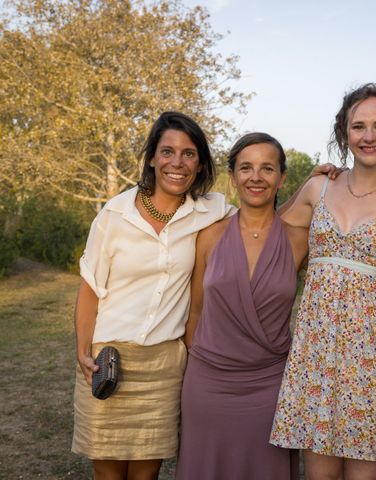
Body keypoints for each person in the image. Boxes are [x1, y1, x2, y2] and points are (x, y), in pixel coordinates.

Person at [72, 111, 232, 480]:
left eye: (189, 153)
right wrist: (83, 349)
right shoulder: (115, 215)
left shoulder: (210, 210)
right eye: (167, 151)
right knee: (108, 473)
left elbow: (264, 215)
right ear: (152, 158)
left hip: (164, 366)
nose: (177, 162)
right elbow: (90, 288)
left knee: (146, 474)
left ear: (201, 162)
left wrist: (314, 187)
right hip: (108, 359)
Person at [270, 83, 376, 480]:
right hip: (316, 344)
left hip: (373, 350)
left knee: (364, 472)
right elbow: (268, 236)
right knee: (319, 474)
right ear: (345, 133)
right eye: (359, 126)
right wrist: (302, 183)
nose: (369, 136)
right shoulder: (320, 187)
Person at [175, 132, 310, 479]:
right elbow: (194, 311)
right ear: (233, 176)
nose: (256, 177)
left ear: (281, 178)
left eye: (267, 168)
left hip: (270, 387)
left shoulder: (299, 240)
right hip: (209, 384)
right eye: (246, 167)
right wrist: (203, 363)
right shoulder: (210, 235)